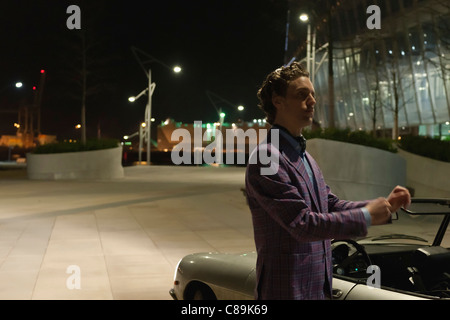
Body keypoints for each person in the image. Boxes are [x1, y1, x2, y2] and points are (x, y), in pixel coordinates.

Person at [245, 62, 411, 300]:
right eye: (302, 95)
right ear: (278, 101)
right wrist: (365, 216)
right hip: (287, 288)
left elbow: (329, 204)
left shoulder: (304, 156)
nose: (312, 101)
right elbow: (302, 224)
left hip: (317, 285)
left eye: (312, 94)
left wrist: (382, 206)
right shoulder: (267, 158)